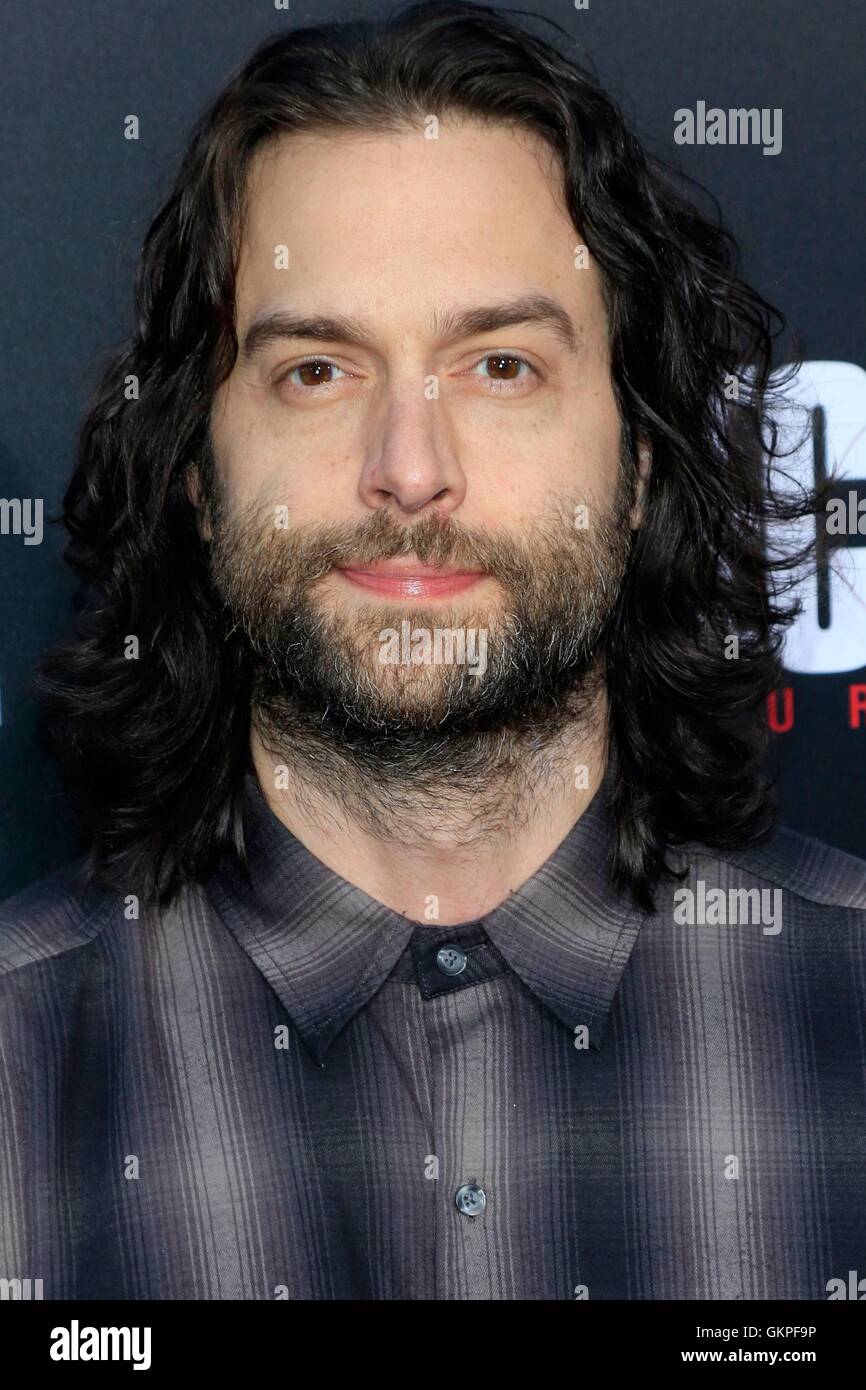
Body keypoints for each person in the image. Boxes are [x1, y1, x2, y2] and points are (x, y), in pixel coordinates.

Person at [1, 0, 864, 1301]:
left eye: (499, 365)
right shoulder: (19, 1063)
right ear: (194, 465)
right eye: (316, 371)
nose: (408, 467)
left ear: (636, 463)